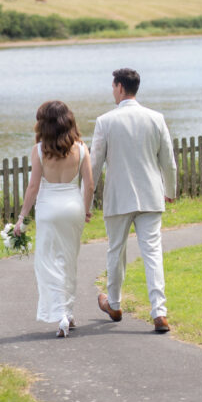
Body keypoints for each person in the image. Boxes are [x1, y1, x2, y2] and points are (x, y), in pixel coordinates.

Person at [90, 68, 177, 333]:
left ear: (119, 87)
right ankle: (159, 312)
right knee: (152, 254)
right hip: (151, 195)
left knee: (116, 251)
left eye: (112, 86)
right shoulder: (156, 118)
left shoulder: (105, 121)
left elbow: (94, 165)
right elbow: (168, 162)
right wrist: (170, 190)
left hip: (118, 197)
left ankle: (114, 304)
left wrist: (87, 198)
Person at [14, 101, 94, 338]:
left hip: (48, 210)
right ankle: (67, 312)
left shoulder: (39, 150)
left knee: (48, 263)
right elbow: (89, 185)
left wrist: (22, 218)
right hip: (73, 207)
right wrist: (86, 208)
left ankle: (60, 314)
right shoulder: (81, 148)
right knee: (69, 261)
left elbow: (33, 187)